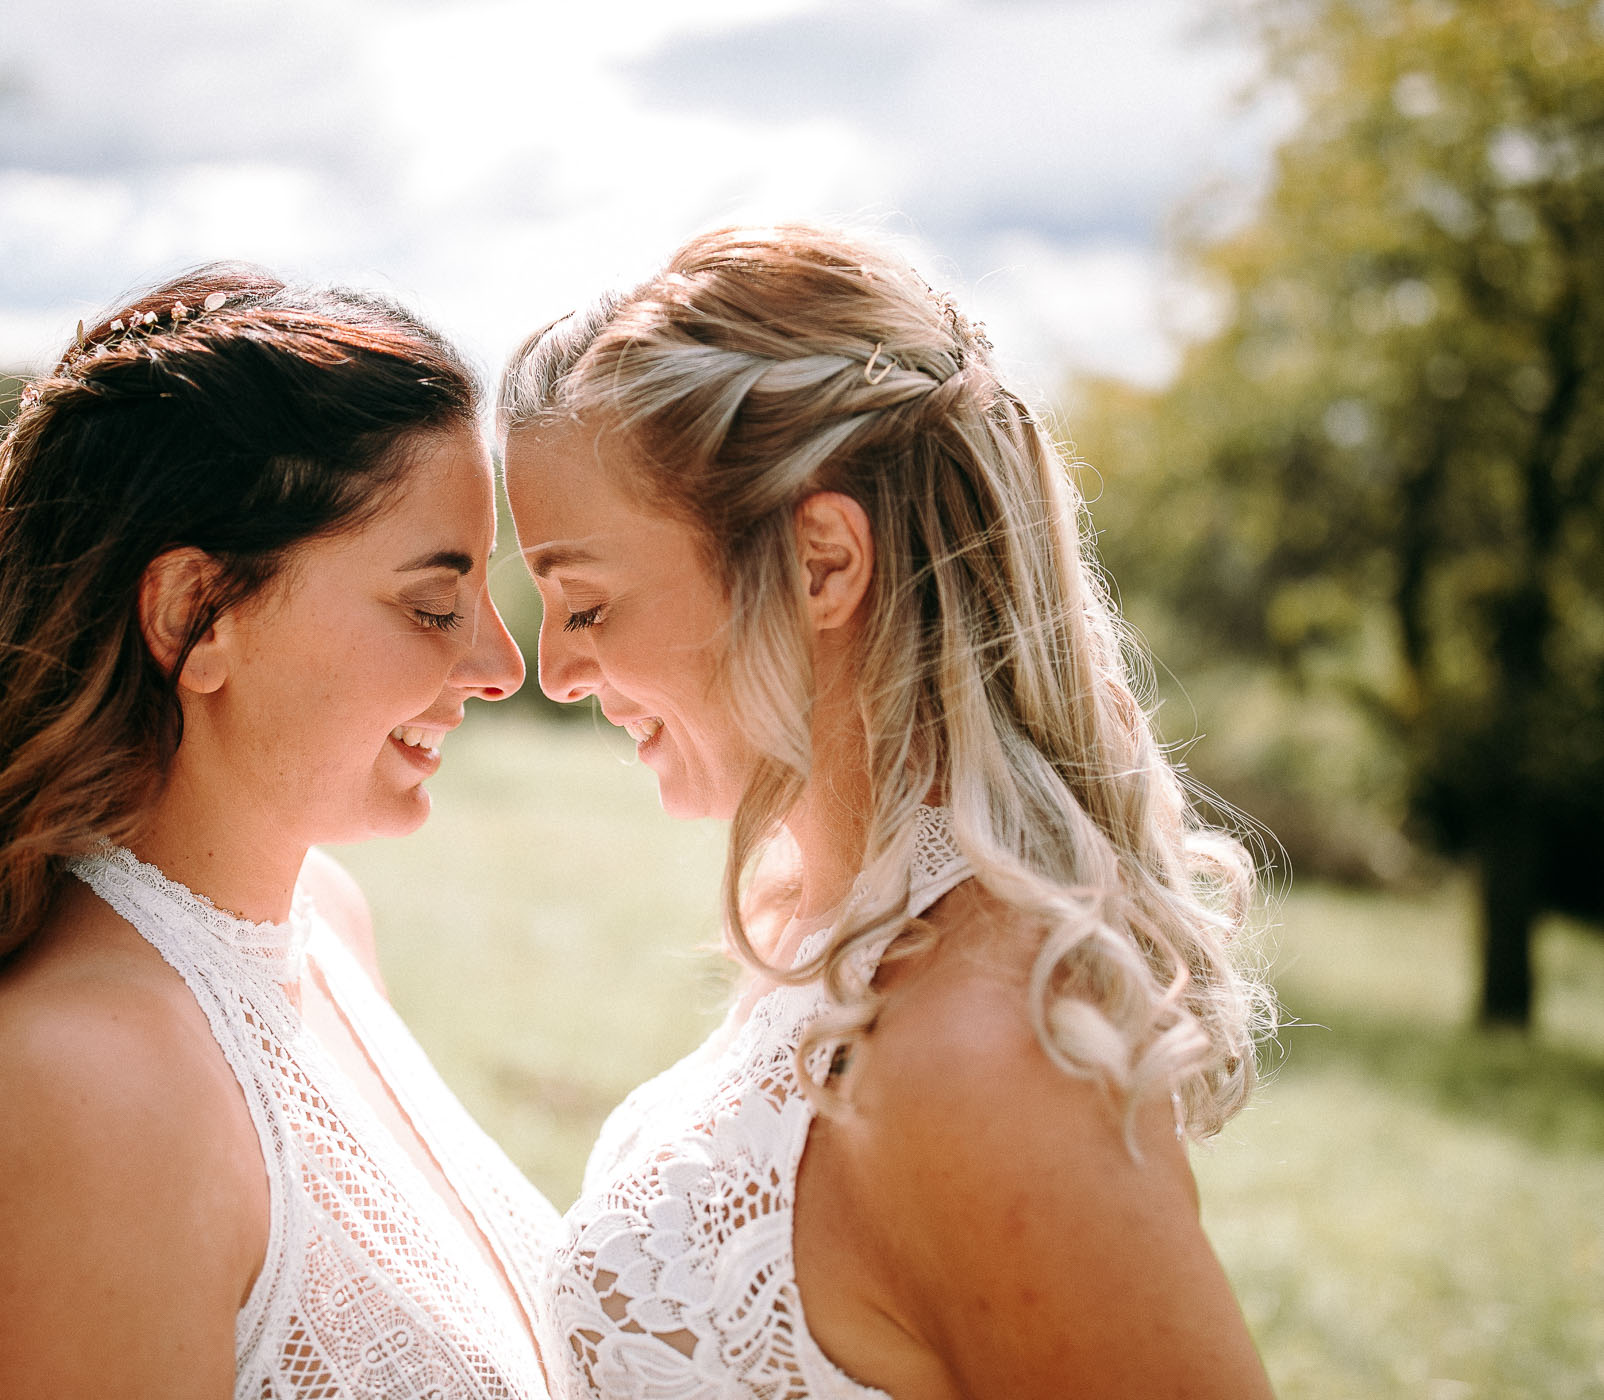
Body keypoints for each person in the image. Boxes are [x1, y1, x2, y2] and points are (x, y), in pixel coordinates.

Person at [0, 266, 557, 1398]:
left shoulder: (323, 920)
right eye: (433, 605)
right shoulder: (75, 1095)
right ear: (197, 615)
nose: (499, 666)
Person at [501, 224, 1277, 1400]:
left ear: (821, 561)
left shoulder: (983, 1049)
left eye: (588, 604)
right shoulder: (828, 917)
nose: (552, 669)